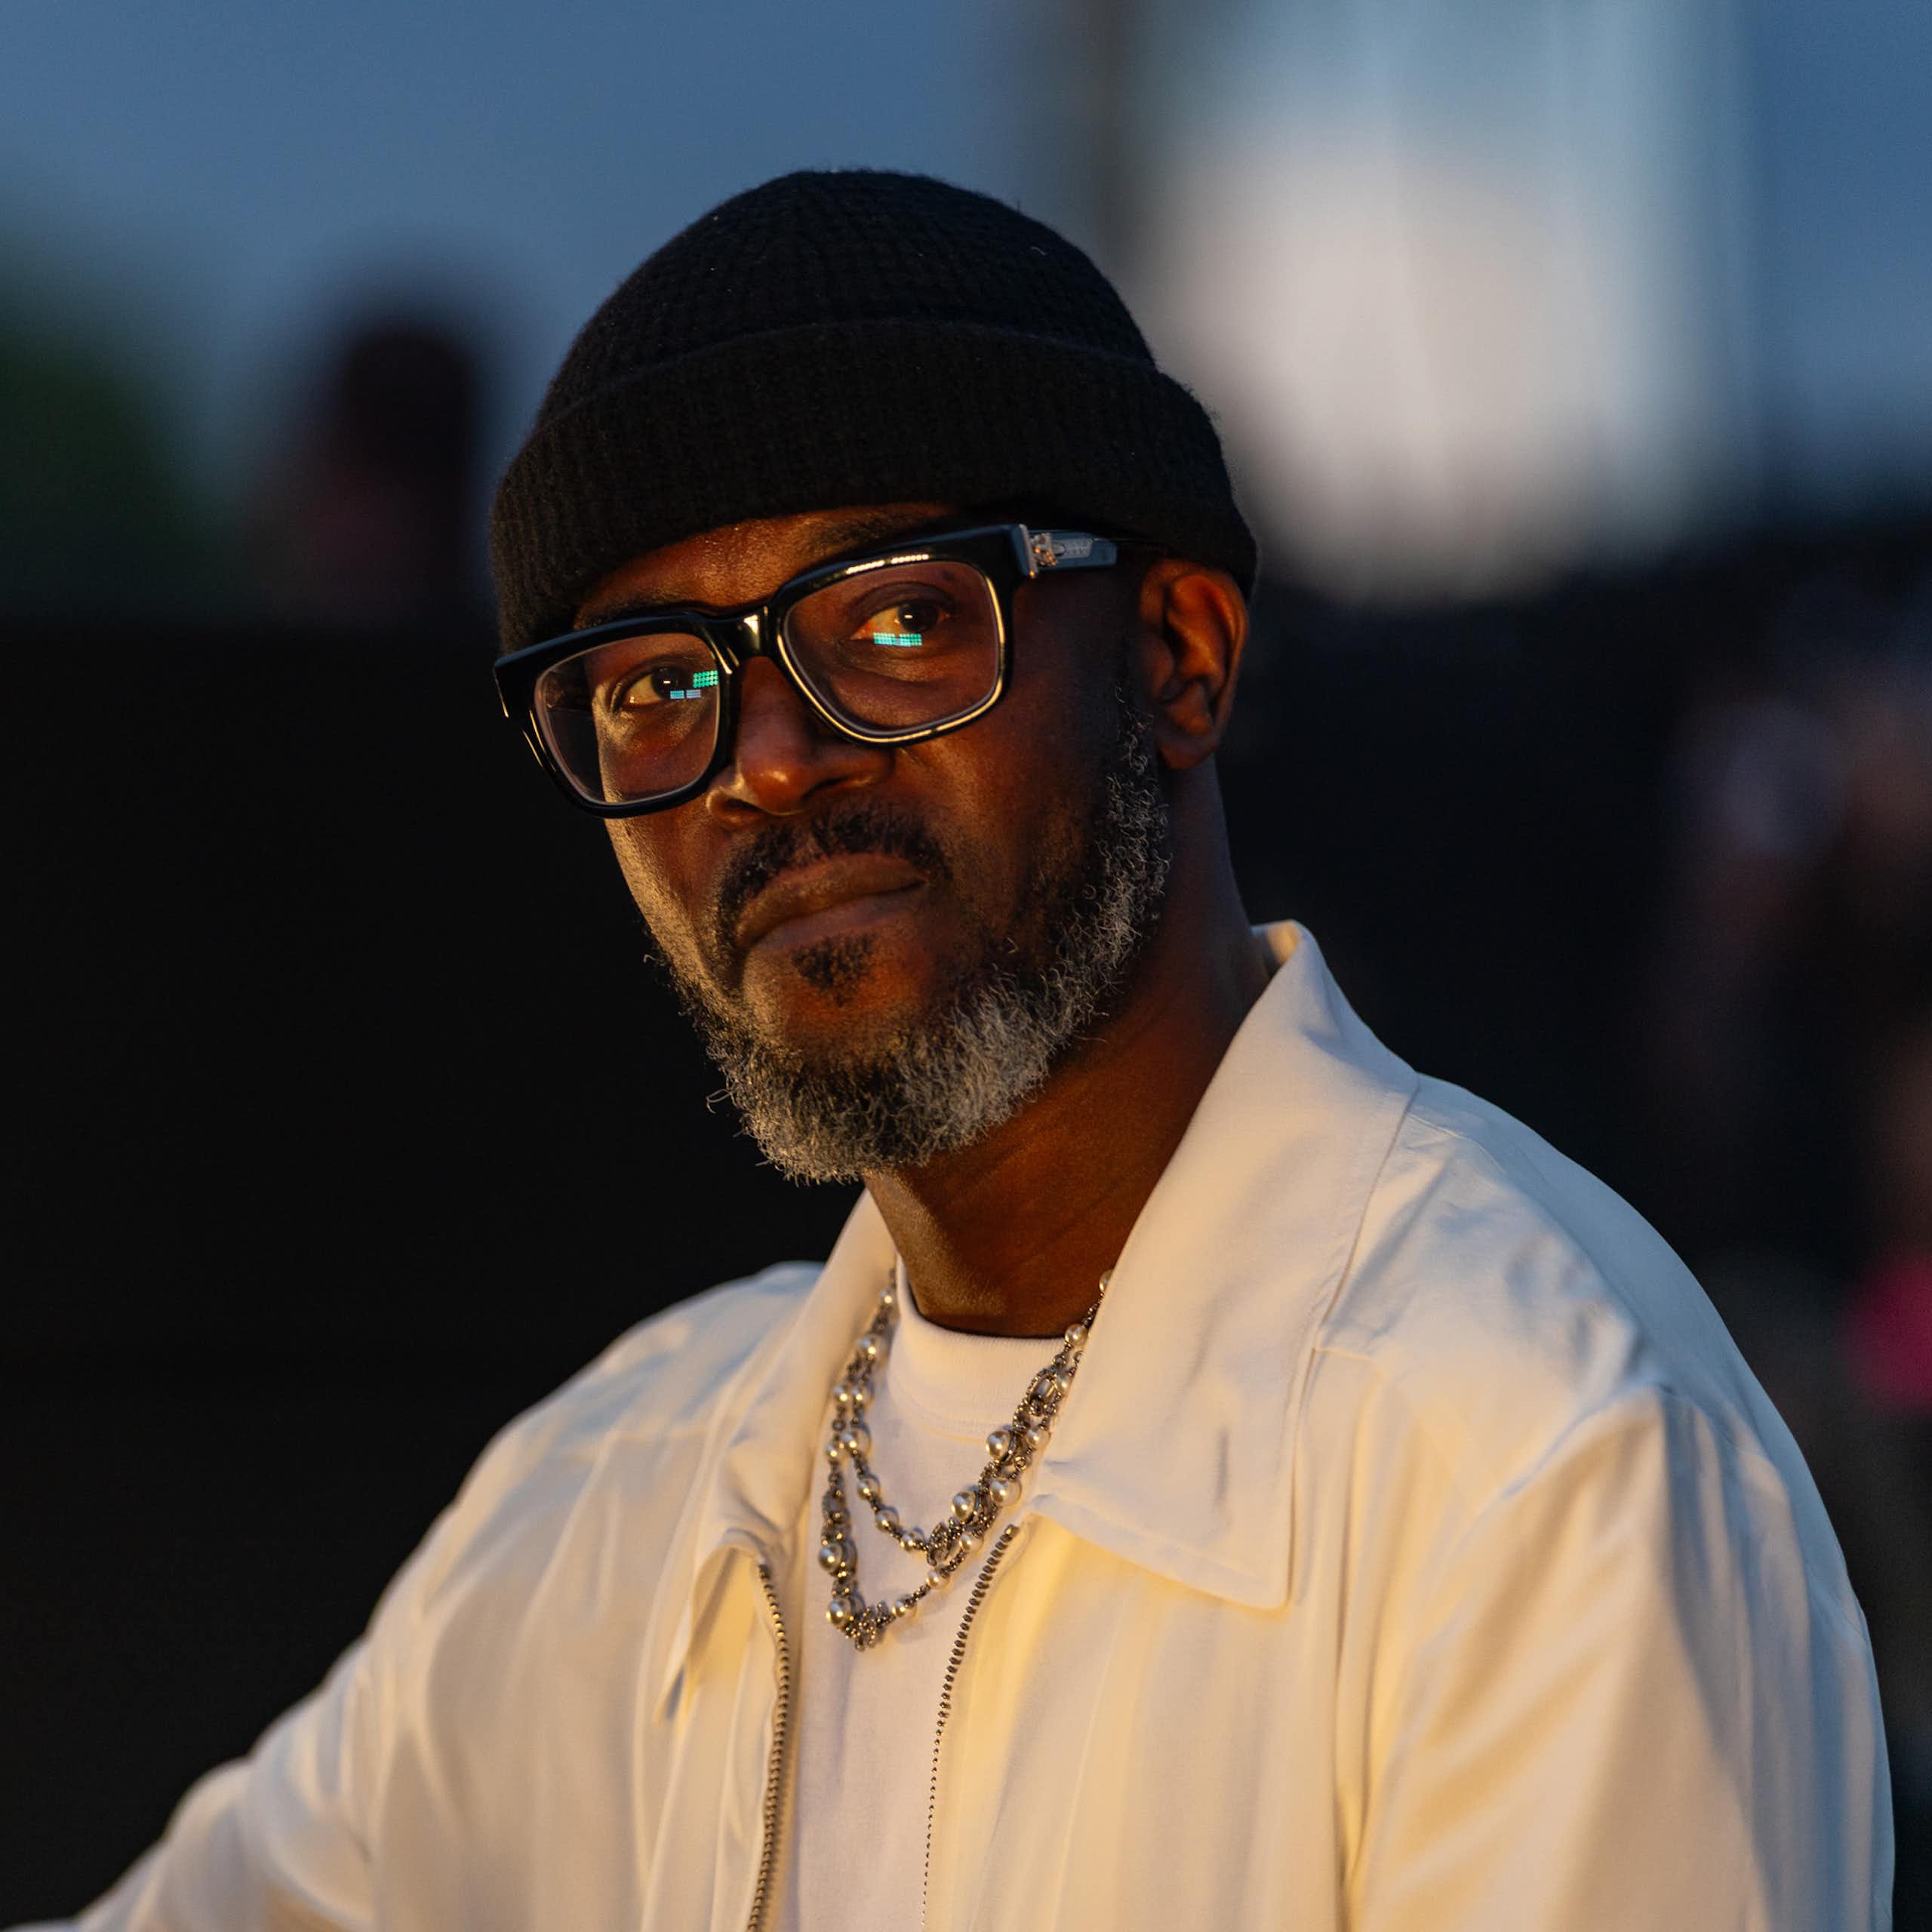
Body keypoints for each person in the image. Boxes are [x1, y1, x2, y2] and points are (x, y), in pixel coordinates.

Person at [29, 169, 1891, 1932]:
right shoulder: (629, 1490)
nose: (766, 758)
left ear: (1175, 651)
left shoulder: (1533, 1454)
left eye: (899, 622)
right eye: (653, 685)